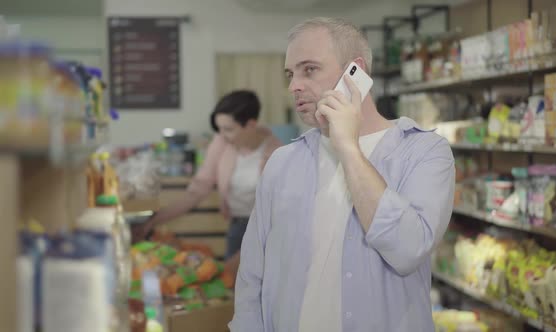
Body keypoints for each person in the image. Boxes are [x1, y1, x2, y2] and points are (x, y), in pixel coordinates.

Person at [230, 17, 455, 332]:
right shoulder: (282, 163)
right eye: (290, 74)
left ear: (356, 73)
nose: (294, 85)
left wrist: (348, 147)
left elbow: (408, 250)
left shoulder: (424, 152)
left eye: (309, 69)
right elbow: (252, 275)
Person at [136, 90, 282, 277]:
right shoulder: (222, 143)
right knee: (232, 289)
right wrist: (151, 222)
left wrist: (239, 260)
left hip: (266, 230)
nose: (222, 135)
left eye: (228, 129)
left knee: (258, 288)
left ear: (251, 125)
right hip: (237, 226)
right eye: (219, 129)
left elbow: (275, 212)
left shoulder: (276, 151)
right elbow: (196, 192)